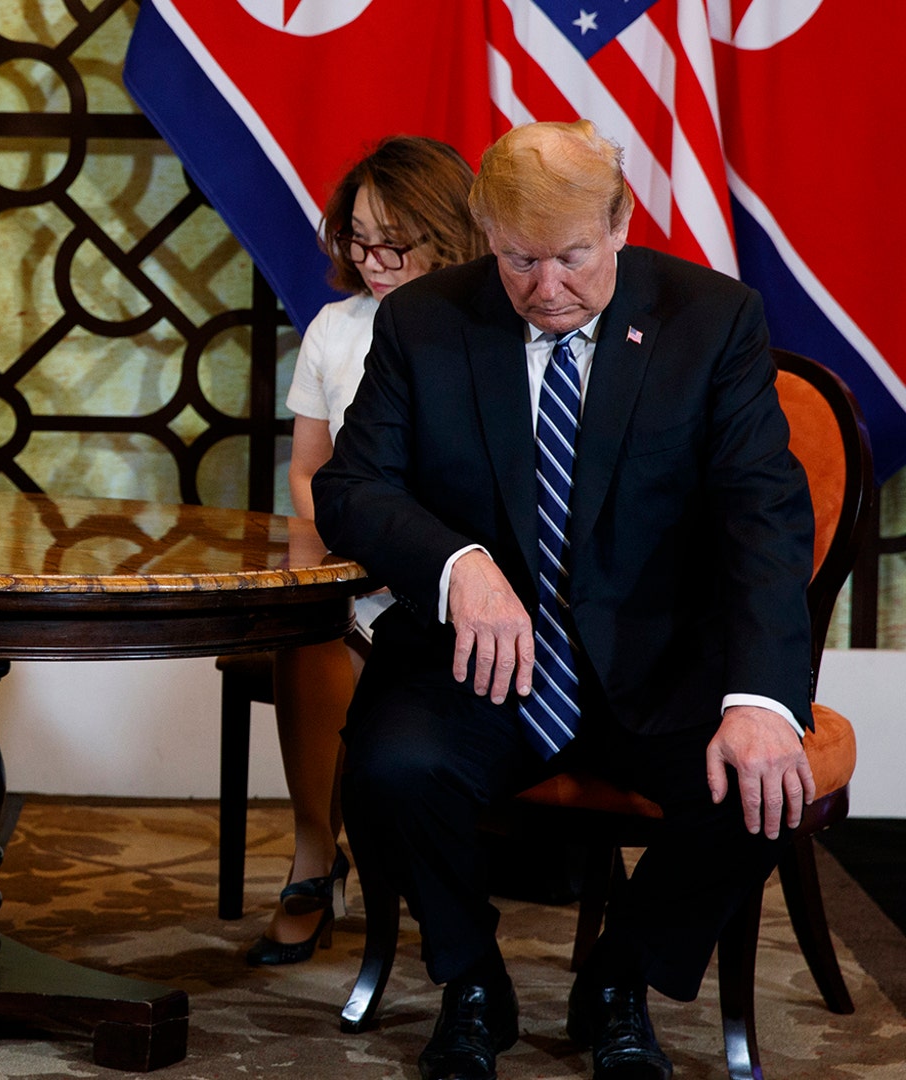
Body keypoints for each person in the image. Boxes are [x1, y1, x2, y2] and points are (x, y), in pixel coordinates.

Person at [312, 119, 814, 1080]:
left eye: (573, 258)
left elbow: (764, 519)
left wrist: (760, 701)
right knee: (390, 769)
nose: (547, 290)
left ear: (621, 221)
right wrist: (458, 563)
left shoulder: (712, 321)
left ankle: (621, 981)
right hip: (478, 658)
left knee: (762, 792)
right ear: (483, 230)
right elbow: (352, 490)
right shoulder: (426, 321)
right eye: (518, 260)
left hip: (657, 661)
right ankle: (470, 982)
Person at [247, 135, 484, 966]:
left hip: (460, 576)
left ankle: (431, 871)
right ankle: (316, 857)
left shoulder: (490, 325)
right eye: (358, 240)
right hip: (358, 565)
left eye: (395, 243)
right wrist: (353, 552)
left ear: (448, 231)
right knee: (307, 629)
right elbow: (309, 474)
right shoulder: (335, 330)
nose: (373, 260)